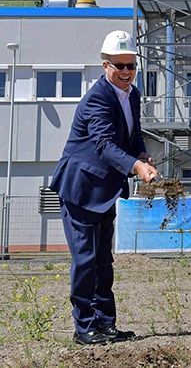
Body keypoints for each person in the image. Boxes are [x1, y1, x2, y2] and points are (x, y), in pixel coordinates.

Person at [50, 30, 158, 345]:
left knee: (102, 260)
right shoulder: (97, 97)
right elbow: (103, 144)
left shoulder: (132, 94)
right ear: (105, 64)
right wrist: (136, 167)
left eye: (131, 65)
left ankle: (106, 324)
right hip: (81, 188)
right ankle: (84, 328)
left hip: (105, 188)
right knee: (85, 260)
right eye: (119, 65)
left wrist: (139, 153)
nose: (126, 72)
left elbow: (133, 133)